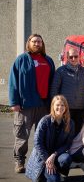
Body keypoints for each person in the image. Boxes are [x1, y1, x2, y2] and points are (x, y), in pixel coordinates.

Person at [9, 34, 55, 173]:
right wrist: (14, 102)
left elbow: (52, 82)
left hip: (43, 104)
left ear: (42, 44)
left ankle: (41, 161)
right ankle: (19, 161)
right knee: (22, 134)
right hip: (25, 105)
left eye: (39, 41)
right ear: (29, 43)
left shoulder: (48, 60)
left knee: (43, 135)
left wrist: (52, 102)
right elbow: (13, 82)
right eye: (34, 41)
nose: (37, 44)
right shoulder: (21, 60)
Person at [25, 95, 75, 182]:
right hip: (43, 156)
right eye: (57, 105)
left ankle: (57, 171)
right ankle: (47, 173)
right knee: (54, 181)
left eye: (63, 105)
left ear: (66, 107)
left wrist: (54, 155)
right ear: (53, 106)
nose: (60, 107)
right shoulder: (45, 121)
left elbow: (68, 144)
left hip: (56, 155)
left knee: (66, 158)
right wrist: (47, 158)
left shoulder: (70, 123)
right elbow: (37, 142)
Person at [50, 47, 84, 134]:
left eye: (76, 56)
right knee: (65, 133)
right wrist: (54, 106)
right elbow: (54, 89)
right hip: (65, 109)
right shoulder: (61, 71)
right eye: (71, 57)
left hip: (81, 109)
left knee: (78, 133)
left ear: (79, 57)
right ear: (67, 57)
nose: (73, 59)